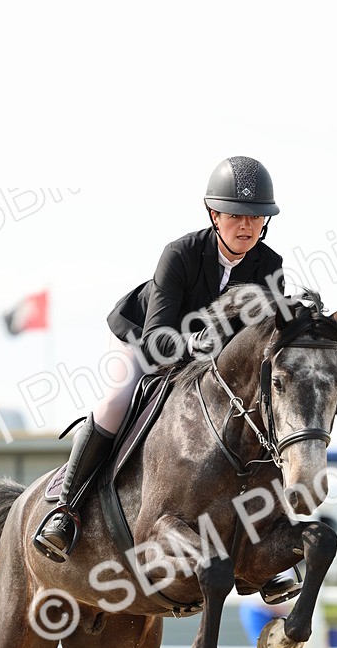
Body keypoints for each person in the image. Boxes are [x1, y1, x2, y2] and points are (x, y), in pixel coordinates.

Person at [34, 156, 291, 605]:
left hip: (210, 367)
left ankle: (262, 550)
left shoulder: (270, 266)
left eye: (255, 217)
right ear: (215, 216)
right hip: (146, 340)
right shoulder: (181, 254)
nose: (246, 225)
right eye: (236, 215)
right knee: (116, 400)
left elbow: (262, 340)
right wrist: (205, 341)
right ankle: (65, 509)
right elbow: (157, 340)